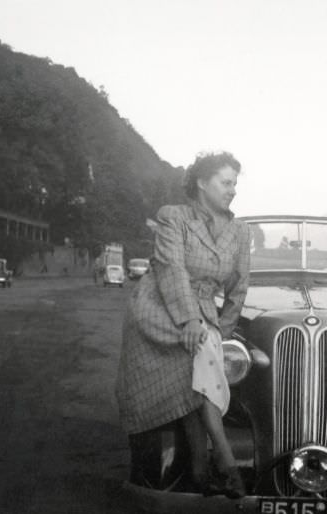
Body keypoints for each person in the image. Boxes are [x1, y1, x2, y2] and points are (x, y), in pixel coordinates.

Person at [115, 151, 251, 498]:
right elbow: (171, 268)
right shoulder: (173, 217)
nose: (232, 190)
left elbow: (239, 286)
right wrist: (191, 319)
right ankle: (223, 462)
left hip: (202, 316)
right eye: (225, 182)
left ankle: (204, 470)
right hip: (159, 308)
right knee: (198, 358)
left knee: (202, 366)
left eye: (235, 183)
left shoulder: (240, 231)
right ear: (202, 183)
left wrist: (226, 330)